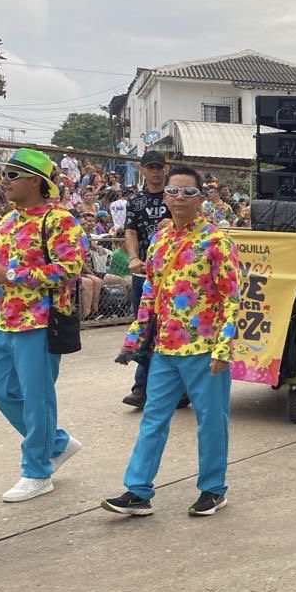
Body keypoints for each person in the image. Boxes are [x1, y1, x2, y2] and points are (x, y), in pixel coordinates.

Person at [104, 166, 241, 518]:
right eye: (173, 191)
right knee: (153, 418)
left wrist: (224, 347)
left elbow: (231, 297)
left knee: (211, 421)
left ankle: (213, 489)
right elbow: (151, 292)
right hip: (165, 349)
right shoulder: (160, 240)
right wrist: (134, 338)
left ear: (201, 198)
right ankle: (138, 491)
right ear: (164, 196)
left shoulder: (216, 240)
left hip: (204, 349)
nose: (180, 198)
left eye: (188, 192)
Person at [0, 148, 85, 503]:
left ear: (35, 181)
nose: (3, 181)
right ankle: (57, 443)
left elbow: (69, 270)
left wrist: (8, 274)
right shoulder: (8, 221)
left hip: (41, 321)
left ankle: (37, 472)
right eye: (3, 174)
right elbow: (1, 268)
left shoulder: (60, 220)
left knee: (37, 399)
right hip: (7, 320)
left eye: (11, 175)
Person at [121, 150, 170, 409]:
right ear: (142, 170)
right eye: (150, 166)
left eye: (159, 166)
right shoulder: (135, 201)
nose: (155, 171)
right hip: (144, 274)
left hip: (173, 276)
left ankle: (171, 386)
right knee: (143, 328)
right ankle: (142, 387)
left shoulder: (176, 197)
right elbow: (130, 231)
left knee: (171, 328)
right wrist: (132, 257)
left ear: (165, 168)